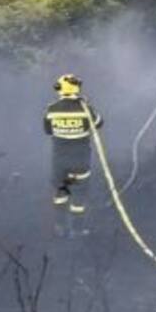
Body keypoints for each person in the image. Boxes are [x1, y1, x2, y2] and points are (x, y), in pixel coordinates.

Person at [43, 74, 102, 219]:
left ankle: (60, 225)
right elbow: (99, 123)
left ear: (59, 89)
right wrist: (86, 105)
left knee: (61, 190)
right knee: (79, 193)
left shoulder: (51, 109)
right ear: (77, 88)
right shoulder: (85, 109)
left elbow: (48, 131)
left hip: (60, 160)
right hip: (80, 160)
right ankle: (78, 227)